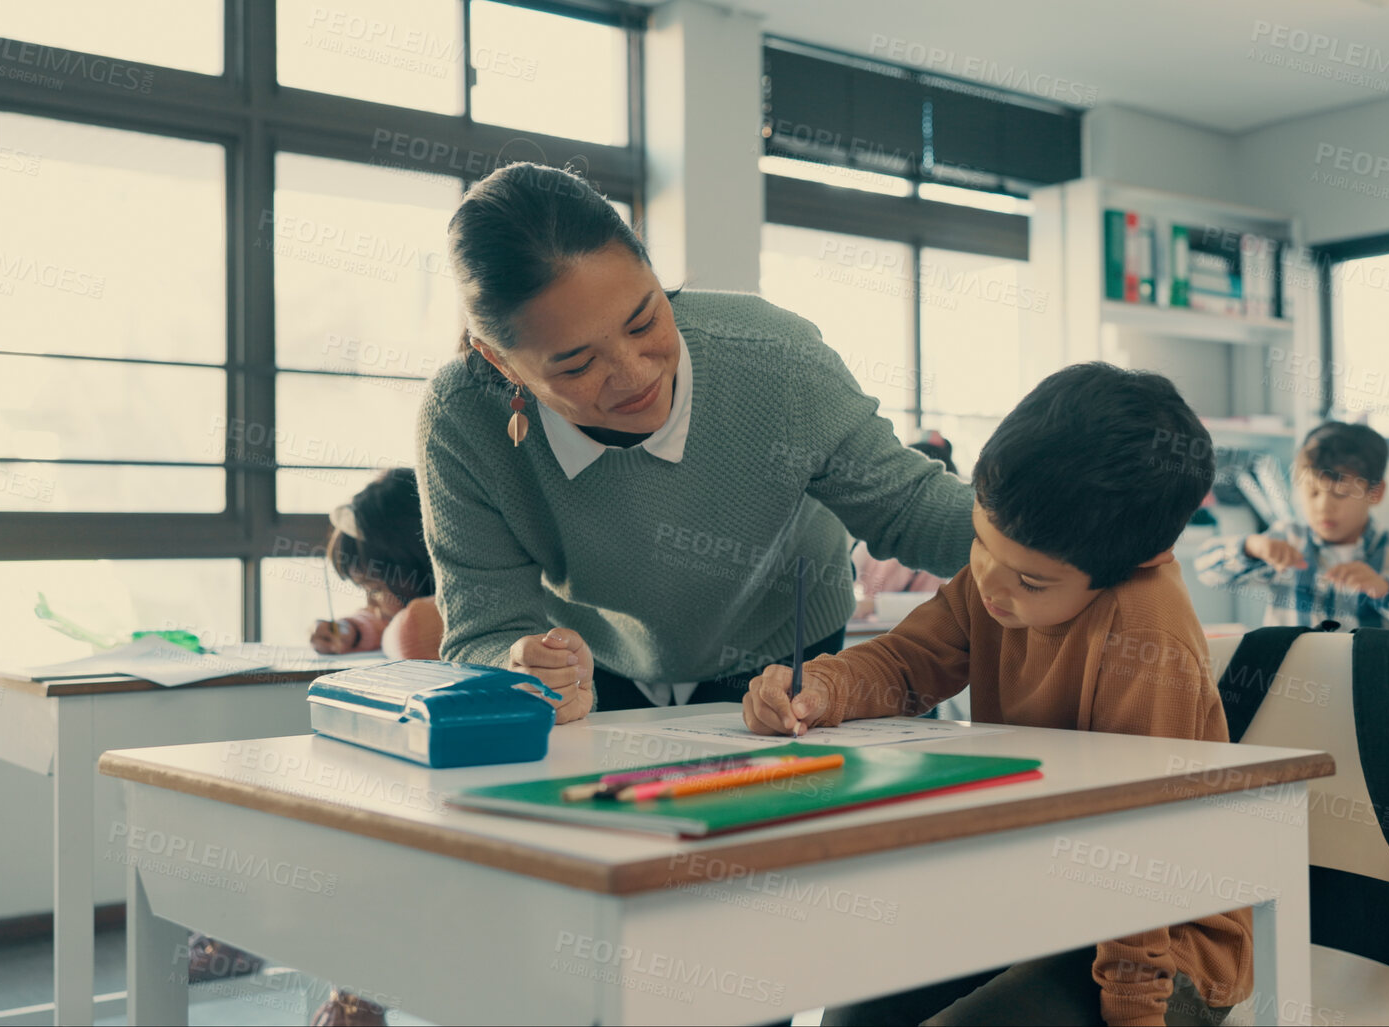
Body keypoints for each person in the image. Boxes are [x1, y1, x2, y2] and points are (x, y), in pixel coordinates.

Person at [742, 363, 1249, 1026]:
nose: (991, 585)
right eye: (981, 543)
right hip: (1033, 905)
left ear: (1138, 561)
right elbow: (905, 663)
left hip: (1159, 953)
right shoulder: (999, 579)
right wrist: (815, 689)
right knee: (854, 1009)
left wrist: (1134, 1008)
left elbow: (1140, 840)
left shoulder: (1144, 627)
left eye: (1032, 583)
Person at [419, 162, 972, 721]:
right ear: (498, 359)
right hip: (595, 670)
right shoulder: (461, 419)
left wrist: (1043, 523)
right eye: (578, 364)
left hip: (787, 650)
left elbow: (913, 509)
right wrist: (521, 667)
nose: (634, 375)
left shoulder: (773, 354)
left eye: (644, 322)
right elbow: (482, 633)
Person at [1193, 420, 1389, 635]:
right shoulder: (1287, 539)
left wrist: (1385, 592)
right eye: (1312, 492)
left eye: (1340, 494)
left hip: (1366, 689)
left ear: (1375, 493)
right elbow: (1206, 570)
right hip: (1292, 687)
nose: (1323, 507)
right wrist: (1251, 547)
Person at [309, 468, 443, 661]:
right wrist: (354, 631)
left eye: (375, 589)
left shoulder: (424, 625)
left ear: (414, 563)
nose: (371, 604)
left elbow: (408, 633)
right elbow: (388, 620)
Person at [850, 434, 959, 620]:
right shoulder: (879, 537)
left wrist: (873, 605)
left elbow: (944, 604)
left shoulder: (951, 546)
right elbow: (847, 571)